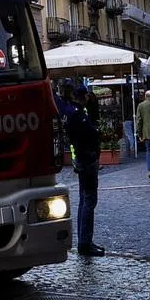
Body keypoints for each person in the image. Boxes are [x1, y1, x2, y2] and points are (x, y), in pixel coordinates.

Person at [65, 86, 104, 256]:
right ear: (84, 97)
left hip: (82, 158)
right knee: (89, 200)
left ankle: (84, 241)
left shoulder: (73, 112)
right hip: (87, 159)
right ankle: (85, 243)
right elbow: (90, 135)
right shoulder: (79, 115)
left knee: (84, 200)